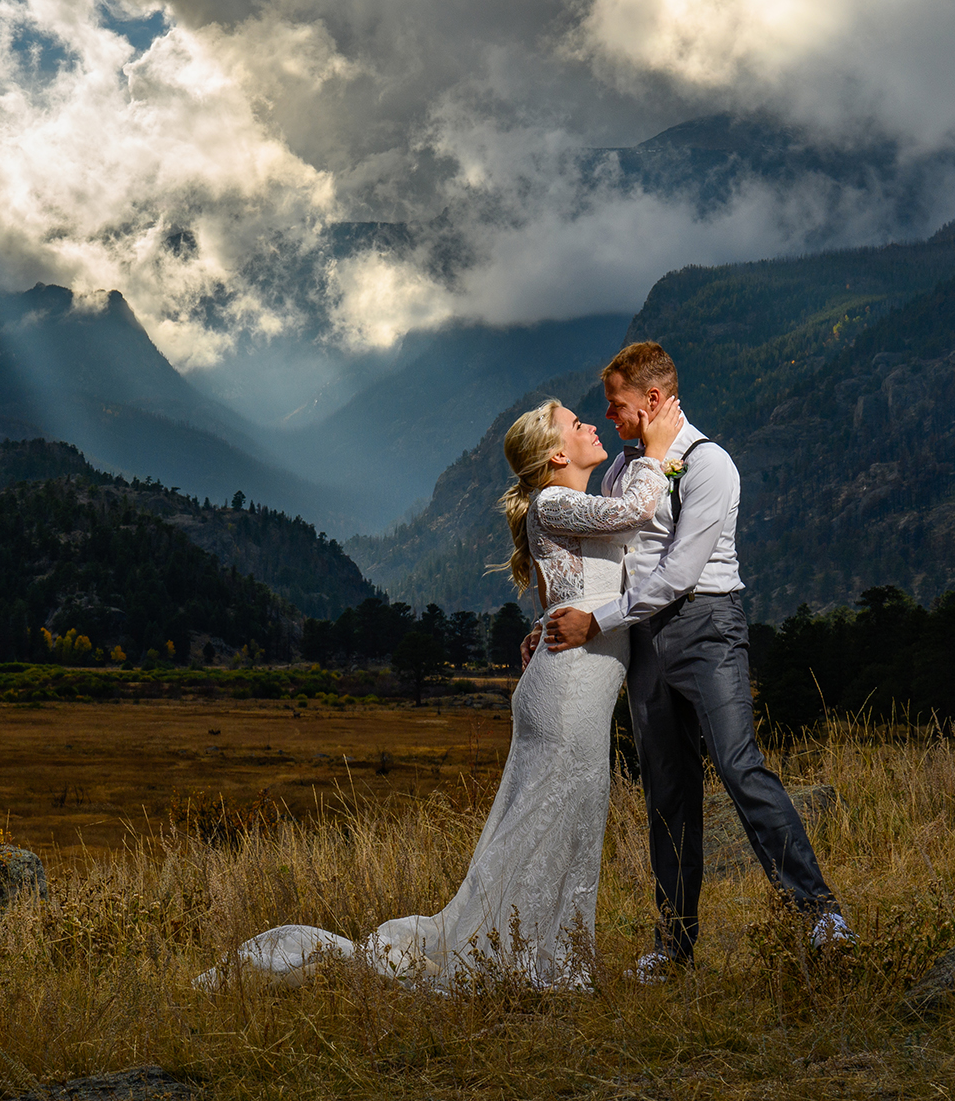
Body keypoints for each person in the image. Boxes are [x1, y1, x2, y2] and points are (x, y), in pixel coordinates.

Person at [196, 392, 682, 991]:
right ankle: (520, 963)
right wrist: (660, 448)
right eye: (576, 423)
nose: (588, 425)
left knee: (567, 824)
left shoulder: (567, 503)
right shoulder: (555, 500)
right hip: (568, 691)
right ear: (556, 454)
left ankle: (547, 957)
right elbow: (634, 512)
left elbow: (579, 588)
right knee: (545, 825)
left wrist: (537, 626)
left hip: (576, 682)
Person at [542, 341, 851, 982]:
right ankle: (675, 945)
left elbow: (682, 571)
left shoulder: (712, 465)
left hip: (707, 626)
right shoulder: (622, 471)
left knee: (739, 765)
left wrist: (599, 620)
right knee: (667, 791)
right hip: (644, 636)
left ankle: (820, 913)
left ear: (653, 400)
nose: (610, 416)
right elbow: (616, 561)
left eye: (618, 404)